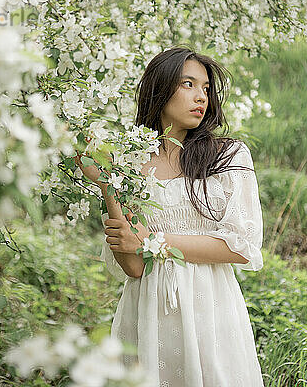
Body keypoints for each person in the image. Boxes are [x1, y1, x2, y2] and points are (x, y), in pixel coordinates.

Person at [76, 46, 264, 386]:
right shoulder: (132, 164)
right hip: (149, 313)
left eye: (205, 88)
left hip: (212, 308)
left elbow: (240, 245)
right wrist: (108, 180)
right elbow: (134, 266)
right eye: (188, 84)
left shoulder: (228, 155)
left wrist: (154, 241)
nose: (201, 97)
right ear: (160, 90)